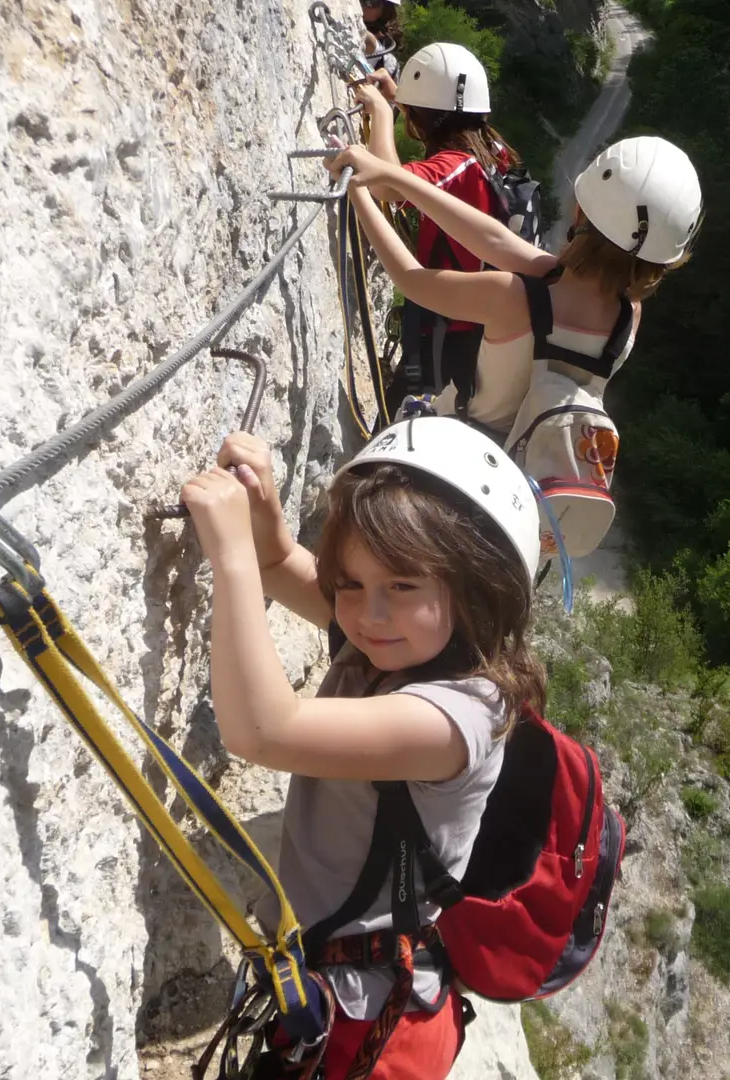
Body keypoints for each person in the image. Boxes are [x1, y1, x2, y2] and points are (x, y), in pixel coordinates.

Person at [179, 416, 545, 1079]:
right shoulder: (401, 640)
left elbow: (263, 730)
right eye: (350, 582)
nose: (367, 612)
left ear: (476, 589)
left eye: (400, 586)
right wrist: (262, 522)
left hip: (374, 1031)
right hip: (345, 995)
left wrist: (228, 551)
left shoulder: (454, 717)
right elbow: (282, 566)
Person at [327, 134, 703, 440]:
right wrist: (393, 176)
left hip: (461, 442)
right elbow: (495, 240)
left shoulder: (513, 297)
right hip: (522, 473)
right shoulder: (628, 317)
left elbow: (411, 278)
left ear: (580, 212)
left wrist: (359, 191)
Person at [350, 42, 522, 409]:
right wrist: (403, 101)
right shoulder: (490, 153)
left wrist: (383, 113)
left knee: (406, 410)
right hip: (469, 324)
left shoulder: (455, 168)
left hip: (443, 327)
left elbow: (385, 185)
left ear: (425, 118)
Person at [360, 0, 401, 78]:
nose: (361, 4)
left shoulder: (388, 63)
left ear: (385, 11)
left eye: (370, 2)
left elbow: (369, 41)